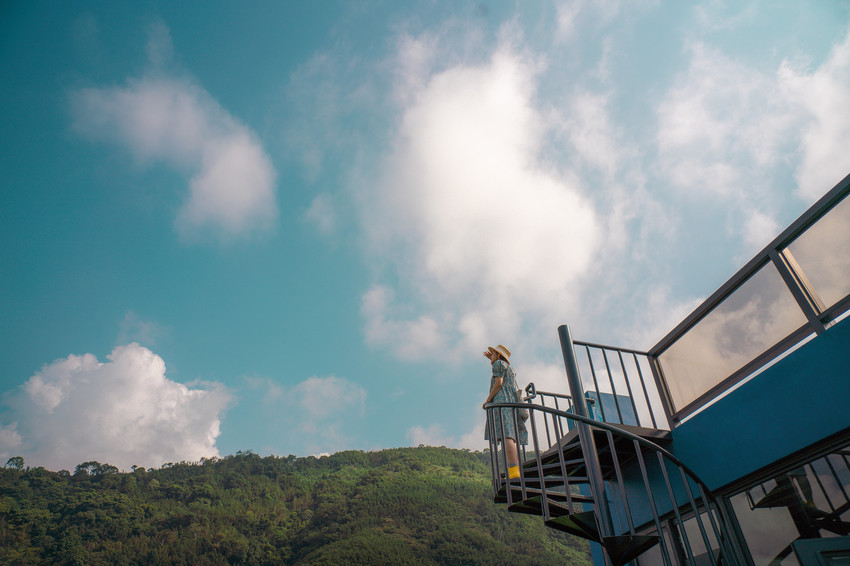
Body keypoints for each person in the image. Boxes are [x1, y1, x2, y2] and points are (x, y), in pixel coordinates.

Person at [482, 344, 528, 479]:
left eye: (493, 353)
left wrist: (488, 400)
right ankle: (514, 469)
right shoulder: (509, 367)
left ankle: (513, 470)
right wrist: (492, 359)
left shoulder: (498, 364)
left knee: (506, 435)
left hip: (501, 401)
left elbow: (498, 383)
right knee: (511, 435)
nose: (491, 355)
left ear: (498, 355)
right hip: (511, 402)